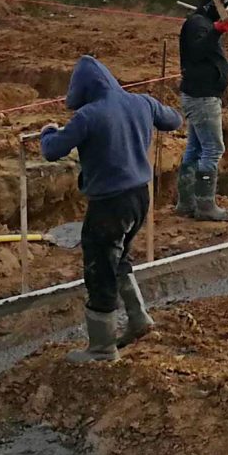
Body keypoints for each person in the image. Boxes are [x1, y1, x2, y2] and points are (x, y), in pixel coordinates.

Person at [36, 54, 181, 363]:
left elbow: (52, 150)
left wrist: (48, 131)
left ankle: (102, 348)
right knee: (119, 257)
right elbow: (174, 120)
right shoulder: (141, 102)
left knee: (100, 268)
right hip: (140, 197)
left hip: (108, 205)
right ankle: (138, 317)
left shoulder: (88, 116)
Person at [175, 0, 228, 223]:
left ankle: (186, 203)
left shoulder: (200, 23)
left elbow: (206, 61)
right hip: (202, 98)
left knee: (195, 149)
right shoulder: (198, 24)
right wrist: (217, 31)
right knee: (213, 149)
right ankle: (205, 207)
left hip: (201, 94)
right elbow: (198, 50)